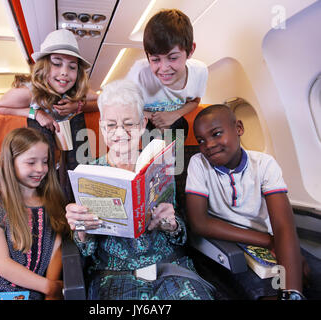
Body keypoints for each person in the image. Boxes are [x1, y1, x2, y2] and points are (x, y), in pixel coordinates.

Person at [65, 79, 215, 300]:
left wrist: (171, 224)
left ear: (143, 123)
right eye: (111, 125)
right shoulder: (90, 174)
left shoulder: (158, 164)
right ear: (102, 128)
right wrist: (81, 229)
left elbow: (179, 235)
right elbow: (86, 250)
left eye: (129, 124)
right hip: (115, 275)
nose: (120, 132)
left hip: (168, 266)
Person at [185, 104, 321, 300]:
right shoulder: (199, 163)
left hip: (272, 238)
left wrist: (292, 291)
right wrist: (268, 241)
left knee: (311, 275)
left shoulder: (264, 164)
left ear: (239, 128)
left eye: (216, 134)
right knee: (264, 292)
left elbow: (283, 226)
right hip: (229, 240)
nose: (209, 145)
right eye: (201, 140)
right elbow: (200, 223)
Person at [0, 128, 69, 300]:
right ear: (11, 163)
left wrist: (50, 290)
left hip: (34, 289)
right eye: (31, 162)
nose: (40, 169)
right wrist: (49, 286)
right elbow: (2, 264)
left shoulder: (53, 202)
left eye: (45, 161)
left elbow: (57, 250)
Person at [0, 29, 98, 132]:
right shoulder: (29, 92)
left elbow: (102, 101)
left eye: (72, 67)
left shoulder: (76, 89)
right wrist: (36, 113)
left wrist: (78, 106)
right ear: (43, 67)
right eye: (57, 64)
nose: (65, 72)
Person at [126, 9, 207, 132]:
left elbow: (195, 101)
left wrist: (174, 115)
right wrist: (156, 118)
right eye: (155, 59)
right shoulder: (139, 73)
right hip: (143, 125)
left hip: (176, 124)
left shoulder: (199, 71)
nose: (164, 68)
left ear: (190, 50)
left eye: (173, 58)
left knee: (177, 147)